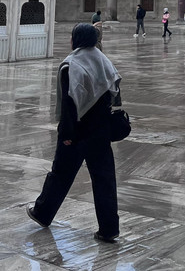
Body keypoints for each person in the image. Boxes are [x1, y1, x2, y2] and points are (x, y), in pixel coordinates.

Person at [26, 23, 121, 243]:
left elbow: (70, 103)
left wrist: (67, 135)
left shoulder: (72, 64)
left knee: (60, 174)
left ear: (77, 38)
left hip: (77, 132)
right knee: (104, 179)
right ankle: (109, 229)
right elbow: (115, 93)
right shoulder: (104, 61)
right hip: (100, 132)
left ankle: (42, 212)